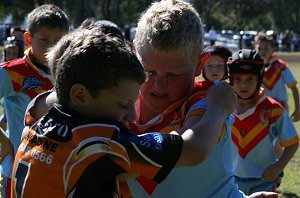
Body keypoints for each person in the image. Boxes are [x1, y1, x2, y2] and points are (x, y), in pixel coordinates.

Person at [11, 26, 236, 197]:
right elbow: (194, 150)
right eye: (123, 104)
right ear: (79, 95)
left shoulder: (38, 125)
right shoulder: (99, 141)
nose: (132, 115)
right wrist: (218, 106)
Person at [123, 0, 277, 197]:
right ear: (134, 54)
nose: (159, 84)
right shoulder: (119, 102)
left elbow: (194, 147)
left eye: (173, 75)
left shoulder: (207, 100)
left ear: (199, 65)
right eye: (148, 71)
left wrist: (219, 108)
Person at [0, 4, 69, 198]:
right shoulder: (12, 72)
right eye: (44, 40)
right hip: (17, 171)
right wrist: (3, 140)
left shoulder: (71, 72)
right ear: (29, 39)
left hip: (57, 174)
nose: (51, 48)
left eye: (57, 41)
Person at [228, 49, 299, 195]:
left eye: (250, 79)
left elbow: (292, 143)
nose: (243, 85)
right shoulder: (223, 108)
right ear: (231, 79)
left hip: (264, 180)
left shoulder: (274, 110)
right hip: (230, 179)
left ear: (259, 78)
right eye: (238, 79)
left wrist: (278, 167)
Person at [255, 33, 300, 122]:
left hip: (280, 109)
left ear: (273, 49)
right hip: (260, 109)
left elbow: (294, 88)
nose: (262, 51)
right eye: (259, 48)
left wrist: (298, 109)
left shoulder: (281, 66)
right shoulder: (255, 68)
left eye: (266, 48)